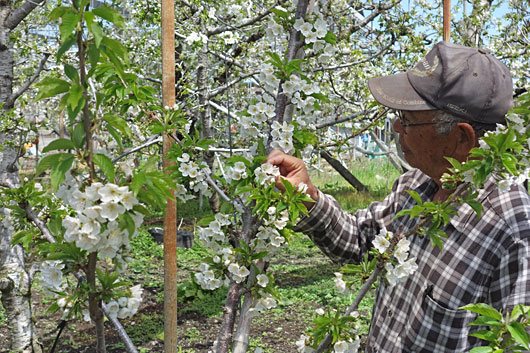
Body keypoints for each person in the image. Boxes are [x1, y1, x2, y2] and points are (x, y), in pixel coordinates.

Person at [268, 41, 530, 352]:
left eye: (407, 119)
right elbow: (361, 242)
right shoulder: (415, 185)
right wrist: (308, 197)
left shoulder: (513, 234)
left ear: (461, 138)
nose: (395, 125)